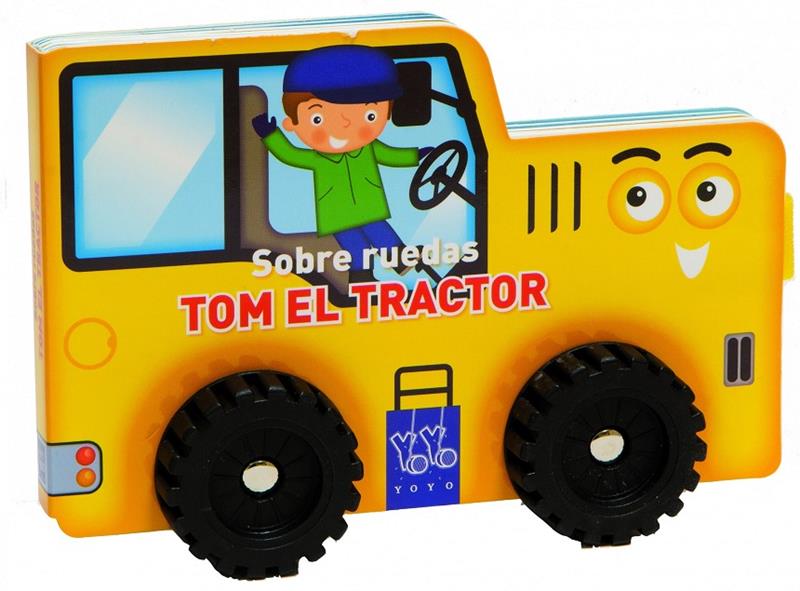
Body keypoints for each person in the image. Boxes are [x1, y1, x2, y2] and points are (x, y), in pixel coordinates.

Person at [252, 45, 432, 283]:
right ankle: (361, 279)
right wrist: (271, 136)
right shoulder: (318, 159)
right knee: (355, 249)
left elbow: (391, 155)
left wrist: (416, 155)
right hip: (338, 215)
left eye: (369, 115)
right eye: (318, 118)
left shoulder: (369, 148)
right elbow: (290, 155)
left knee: (381, 233)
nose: (345, 124)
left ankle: (400, 261)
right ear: (291, 124)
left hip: (369, 208)